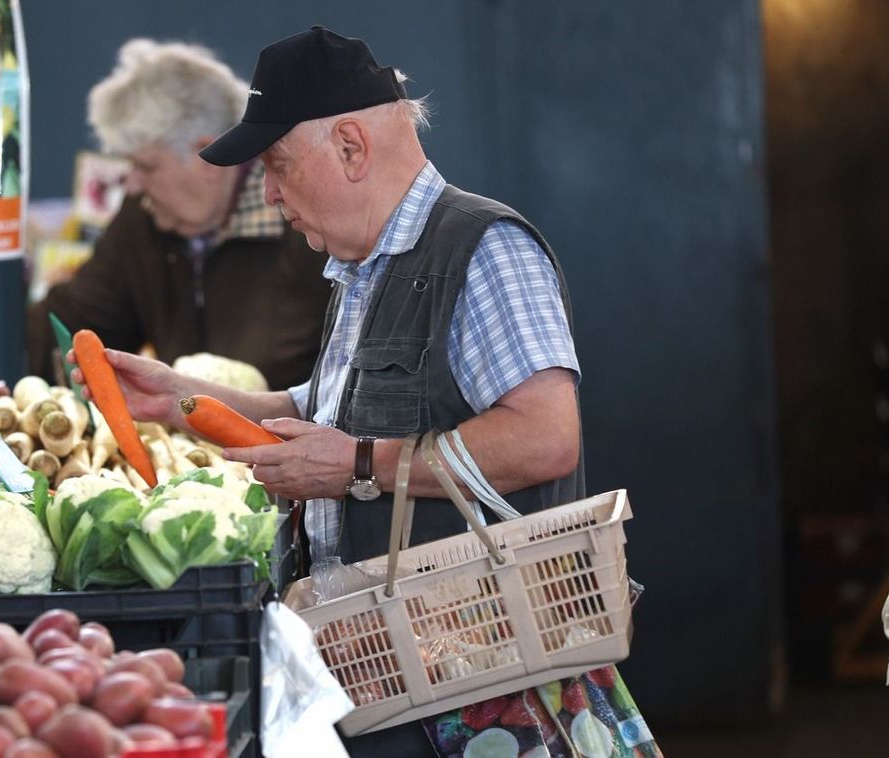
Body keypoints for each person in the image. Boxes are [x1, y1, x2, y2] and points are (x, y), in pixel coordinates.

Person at [72, 26, 584, 754]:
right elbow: (320, 409)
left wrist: (353, 467)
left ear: (350, 147)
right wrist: (177, 399)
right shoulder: (362, 267)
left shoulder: (484, 249)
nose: (270, 191)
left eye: (277, 166)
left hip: (477, 699)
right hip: (394, 675)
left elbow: (545, 437)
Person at [27, 39, 332, 391]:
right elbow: (75, 323)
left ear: (207, 154)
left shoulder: (307, 227)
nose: (132, 185)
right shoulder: (143, 218)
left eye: (146, 166)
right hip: (180, 440)